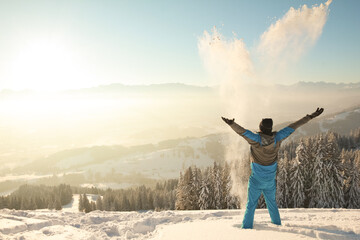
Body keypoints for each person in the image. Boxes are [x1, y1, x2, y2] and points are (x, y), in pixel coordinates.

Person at [221, 107, 324, 229]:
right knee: (272, 204)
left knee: (251, 205)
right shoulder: (278, 138)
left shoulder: (256, 140)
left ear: (261, 128)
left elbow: (242, 132)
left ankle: (247, 228)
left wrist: (232, 124)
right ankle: (277, 225)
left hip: (256, 180)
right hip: (270, 180)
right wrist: (311, 116)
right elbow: (294, 126)